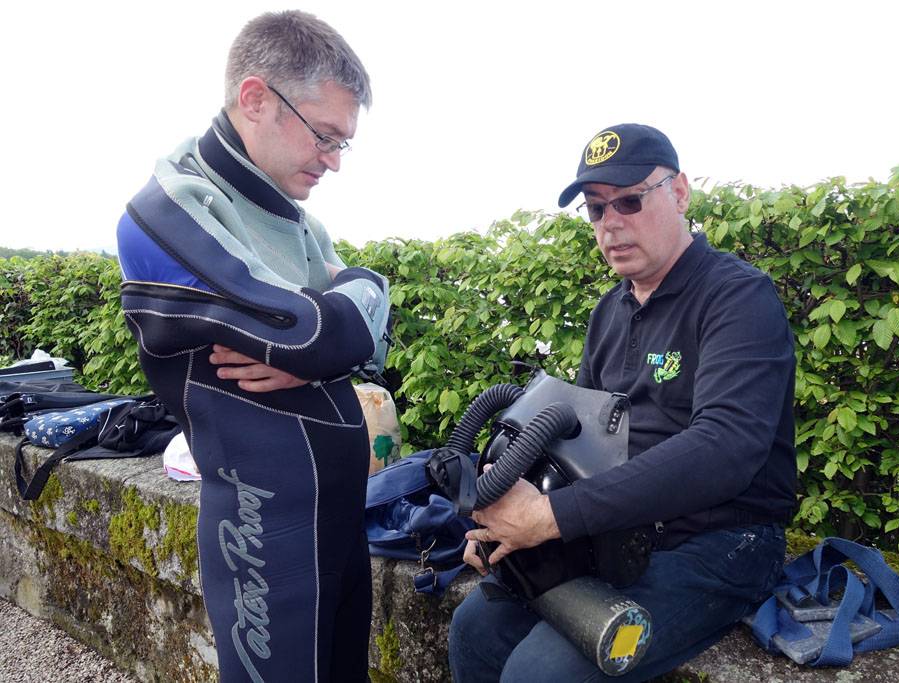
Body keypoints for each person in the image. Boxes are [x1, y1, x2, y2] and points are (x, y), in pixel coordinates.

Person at [447, 124, 797, 681]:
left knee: (542, 673)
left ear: (680, 192)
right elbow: (579, 443)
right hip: (620, 534)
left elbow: (727, 446)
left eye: (630, 201)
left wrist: (550, 517)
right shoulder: (608, 314)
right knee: (474, 629)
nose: (611, 224)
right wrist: (507, 522)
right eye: (595, 210)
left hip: (722, 542)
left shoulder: (738, 296)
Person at [115, 11, 388, 682]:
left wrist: (349, 311)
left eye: (342, 144)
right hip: (269, 532)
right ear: (256, 98)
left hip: (339, 515)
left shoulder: (293, 219)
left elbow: (364, 324)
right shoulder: (166, 207)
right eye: (325, 136)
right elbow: (312, 332)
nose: (333, 161)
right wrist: (342, 317)